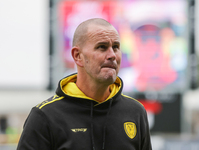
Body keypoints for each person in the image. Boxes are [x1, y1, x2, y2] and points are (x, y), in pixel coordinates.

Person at [17, 18, 152, 150]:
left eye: (116, 47)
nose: (112, 55)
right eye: (102, 47)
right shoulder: (45, 116)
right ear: (77, 56)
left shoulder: (135, 112)